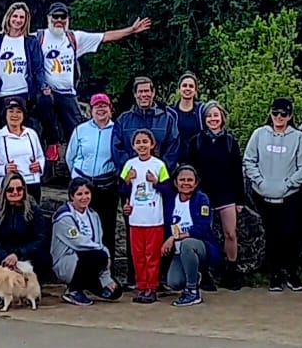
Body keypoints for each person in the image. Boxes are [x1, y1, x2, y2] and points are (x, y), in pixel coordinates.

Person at [37, 2, 151, 158]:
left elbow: (105, 36)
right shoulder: (39, 37)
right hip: (48, 91)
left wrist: (131, 30)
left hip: (67, 92)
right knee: (44, 106)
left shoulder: (74, 37)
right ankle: (52, 143)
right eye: (55, 16)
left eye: (63, 17)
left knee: (77, 130)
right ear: (48, 18)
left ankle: (80, 161)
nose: (59, 20)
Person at [243, 97, 302, 292]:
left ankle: (291, 272)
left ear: (290, 116)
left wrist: (288, 184)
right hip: (262, 195)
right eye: (275, 113)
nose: (279, 117)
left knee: (290, 235)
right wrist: (260, 181)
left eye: (283, 114)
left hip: (289, 196)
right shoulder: (259, 134)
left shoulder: (298, 137)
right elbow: (249, 160)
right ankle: (275, 274)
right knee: (271, 236)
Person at [186, 100, 245, 289]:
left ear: (222, 118)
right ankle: (205, 274)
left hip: (226, 195)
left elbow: (237, 171)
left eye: (216, 115)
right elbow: (190, 169)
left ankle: (231, 272)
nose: (213, 119)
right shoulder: (196, 142)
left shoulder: (230, 142)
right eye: (209, 116)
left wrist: (240, 199)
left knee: (230, 234)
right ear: (204, 119)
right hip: (203, 196)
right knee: (203, 235)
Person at [66, 93, 120, 267]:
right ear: (91, 110)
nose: (101, 109)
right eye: (97, 106)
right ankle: (81, 269)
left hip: (107, 185)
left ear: (110, 109)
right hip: (82, 185)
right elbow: (70, 157)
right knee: (81, 226)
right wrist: (77, 178)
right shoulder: (80, 130)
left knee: (107, 228)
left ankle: (107, 268)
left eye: (104, 106)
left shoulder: (117, 130)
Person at [0, 172, 50, 302]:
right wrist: (3, 255)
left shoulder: (33, 209)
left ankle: (30, 291)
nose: (15, 192)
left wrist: (18, 254)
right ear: (4, 191)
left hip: (25, 253)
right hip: (2, 253)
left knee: (44, 258)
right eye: (10, 190)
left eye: (19, 189)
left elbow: (41, 237)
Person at [51, 179, 121, 304]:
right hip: (68, 260)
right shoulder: (63, 216)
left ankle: (86, 286)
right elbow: (78, 242)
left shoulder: (94, 215)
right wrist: (105, 253)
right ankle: (73, 291)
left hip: (91, 260)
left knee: (116, 291)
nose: (84, 197)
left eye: (87, 193)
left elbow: (99, 242)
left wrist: (106, 278)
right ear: (72, 196)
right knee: (98, 255)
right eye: (79, 194)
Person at [120, 127, 170, 302]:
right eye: (138, 142)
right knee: (138, 255)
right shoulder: (129, 164)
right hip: (135, 219)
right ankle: (141, 287)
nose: (142, 145)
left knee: (152, 255)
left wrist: (155, 182)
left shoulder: (159, 165)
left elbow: (167, 189)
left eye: (145, 142)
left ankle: (152, 287)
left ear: (152, 144)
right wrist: (128, 180)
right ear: (133, 146)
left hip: (154, 219)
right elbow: (123, 190)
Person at [162, 163, 221, 307]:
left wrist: (174, 237)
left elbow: (202, 229)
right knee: (174, 283)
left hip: (200, 247)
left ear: (196, 183)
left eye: (190, 180)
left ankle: (192, 291)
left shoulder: (201, 199)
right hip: (178, 251)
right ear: (175, 182)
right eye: (182, 180)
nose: (186, 183)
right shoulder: (170, 200)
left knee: (187, 243)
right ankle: (196, 275)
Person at [0, 3, 47, 126]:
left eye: (21, 17)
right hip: (2, 94)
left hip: (24, 94)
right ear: (8, 17)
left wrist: (43, 86)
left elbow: (38, 68)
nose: (18, 20)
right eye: (15, 16)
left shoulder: (31, 42)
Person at [112, 76, 180, 174]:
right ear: (135, 94)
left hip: (159, 177)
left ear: (153, 93)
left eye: (147, 91)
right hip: (131, 177)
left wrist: (161, 172)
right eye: (140, 91)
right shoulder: (123, 120)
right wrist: (129, 169)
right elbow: (117, 148)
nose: (144, 95)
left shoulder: (167, 119)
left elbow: (173, 148)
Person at [0, 99, 45, 195]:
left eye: (19, 112)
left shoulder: (31, 133)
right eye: (11, 111)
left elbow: (40, 157)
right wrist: (3, 169)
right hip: (9, 185)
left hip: (32, 183)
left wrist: (39, 165)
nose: (15, 115)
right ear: (5, 114)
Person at [171, 72, 205, 157]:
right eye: (184, 85)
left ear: (195, 90)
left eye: (191, 86)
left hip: (198, 159)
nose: (187, 88)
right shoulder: (170, 112)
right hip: (176, 160)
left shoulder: (201, 111)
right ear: (179, 89)